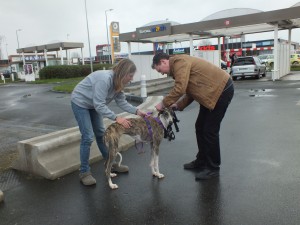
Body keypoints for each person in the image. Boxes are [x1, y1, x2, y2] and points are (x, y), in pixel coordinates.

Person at [151, 53, 234, 180]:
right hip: (211, 93)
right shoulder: (179, 66)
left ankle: (213, 168)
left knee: (210, 130)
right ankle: (202, 160)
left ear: (163, 62)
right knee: (200, 126)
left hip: (221, 90)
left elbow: (180, 88)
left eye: (159, 70)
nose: (161, 73)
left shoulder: (179, 62)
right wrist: (177, 105)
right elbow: (191, 92)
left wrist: (163, 103)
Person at [71, 59, 146, 186]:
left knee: (101, 133)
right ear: (124, 73)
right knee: (88, 137)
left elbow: (121, 102)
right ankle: (84, 172)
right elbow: (99, 105)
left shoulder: (119, 83)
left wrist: (137, 111)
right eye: (130, 76)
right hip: (80, 103)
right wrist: (117, 118)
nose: (131, 79)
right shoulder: (104, 80)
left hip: (93, 105)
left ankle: (110, 164)